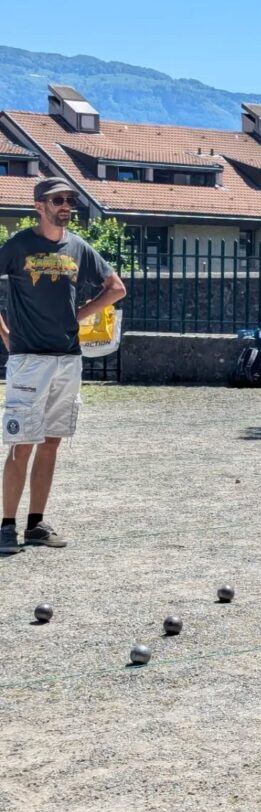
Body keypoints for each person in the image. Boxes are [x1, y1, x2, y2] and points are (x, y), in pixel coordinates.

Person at [0, 178, 126, 555]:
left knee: (52, 442)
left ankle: (36, 524)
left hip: (68, 359)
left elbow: (116, 287)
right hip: (29, 359)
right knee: (22, 444)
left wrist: (79, 315)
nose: (66, 205)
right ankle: (6, 527)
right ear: (39, 206)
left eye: (70, 199)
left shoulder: (78, 247)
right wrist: (5, 334)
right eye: (58, 200)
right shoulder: (19, 245)